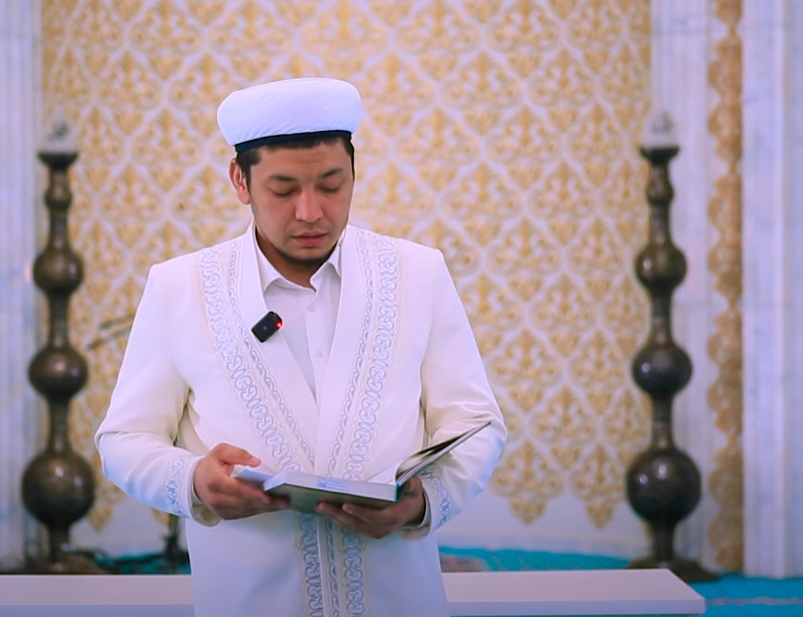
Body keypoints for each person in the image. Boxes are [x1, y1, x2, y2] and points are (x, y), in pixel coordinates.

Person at [95, 77, 507, 617]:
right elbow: (123, 440)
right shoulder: (180, 287)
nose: (311, 212)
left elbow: (478, 423)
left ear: (354, 172)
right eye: (284, 190)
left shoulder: (417, 273)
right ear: (240, 180)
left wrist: (422, 502)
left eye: (331, 186)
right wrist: (193, 481)